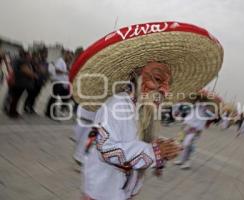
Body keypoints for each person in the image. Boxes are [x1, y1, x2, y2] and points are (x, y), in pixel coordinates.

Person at [69, 21, 223, 200]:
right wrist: (155, 152)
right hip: (102, 190)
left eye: (167, 84)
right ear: (136, 76)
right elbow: (108, 150)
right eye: (158, 78)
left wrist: (160, 148)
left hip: (121, 190)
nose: (164, 90)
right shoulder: (117, 104)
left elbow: (131, 140)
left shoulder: (142, 109)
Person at [174, 102, 213, 169]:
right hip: (187, 127)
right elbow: (189, 114)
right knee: (184, 144)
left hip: (195, 130)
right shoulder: (194, 106)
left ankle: (188, 163)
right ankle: (182, 160)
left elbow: (212, 116)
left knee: (189, 145)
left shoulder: (206, 108)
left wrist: (205, 108)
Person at [7, 50, 37, 118]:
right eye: (29, 55)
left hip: (18, 81)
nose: (30, 56)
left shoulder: (18, 60)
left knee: (15, 98)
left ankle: (13, 111)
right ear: (25, 55)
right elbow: (26, 71)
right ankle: (12, 113)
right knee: (16, 98)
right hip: (20, 82)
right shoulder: (22, 61)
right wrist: (34, 75)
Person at [45, 50, 72, 119]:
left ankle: (59, 110)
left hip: (63, 83)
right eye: (69, 56)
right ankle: (49, 113)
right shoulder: (60, 61)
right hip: (58, 82)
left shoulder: (65, 63)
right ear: (65, 55)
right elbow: (57, 70)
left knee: (65, 97)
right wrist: (66, 72)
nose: (69, 57)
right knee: (54, 97)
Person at [24, 48, 49, 114]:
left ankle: (31, 107)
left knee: (36, 95)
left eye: (46, 53)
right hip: (35, 80)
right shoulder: (37, 60)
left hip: (41, 81)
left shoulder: (46, 62)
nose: (46, 55)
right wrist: (40, 69)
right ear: (41, 54)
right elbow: (36, 69)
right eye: (45, 53)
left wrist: (45, 80)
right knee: (31, 94)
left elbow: (46, 72)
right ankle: (26, 106)